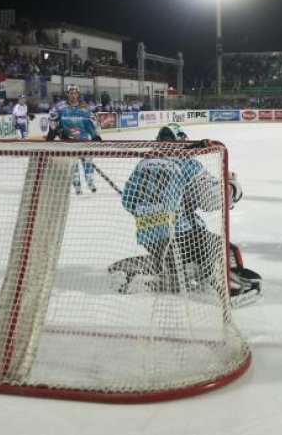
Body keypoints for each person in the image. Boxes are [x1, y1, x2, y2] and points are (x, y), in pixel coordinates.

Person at [110, 124, 260, 302]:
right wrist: (232, 187)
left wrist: (152, 209)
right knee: (222, 248)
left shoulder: (142, 164)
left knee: (173, 263)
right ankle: (218, 284)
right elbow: (211, 200)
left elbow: (128, 201)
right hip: (182, 234)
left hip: (148, 236)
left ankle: (165, 276)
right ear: (181, 140)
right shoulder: (187, 164)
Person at [46, 84, 102, 194]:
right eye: (71, 93)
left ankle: (90, 182)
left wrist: (95, 135)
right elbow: (52, 120)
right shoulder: (59, 106)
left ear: (78, 94)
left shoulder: (84, 107)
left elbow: (89, 123)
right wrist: (54, 131)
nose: (73, 95)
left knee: (87, 162)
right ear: (67, 94)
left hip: (83, 139)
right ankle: (77, 185)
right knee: (73, 165)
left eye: (75, 93)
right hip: (68, 140)